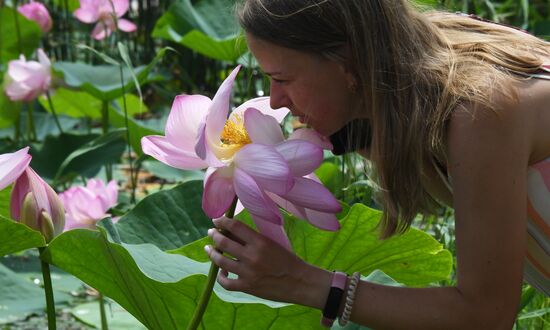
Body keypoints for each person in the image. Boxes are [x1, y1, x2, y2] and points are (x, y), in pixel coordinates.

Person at [203, 0, 550, 328]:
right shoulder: (408, 73)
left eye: (282, 79)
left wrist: (307, 284)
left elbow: (486, 316)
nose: (274, 101)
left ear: (348, 63)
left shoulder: (478, 110)